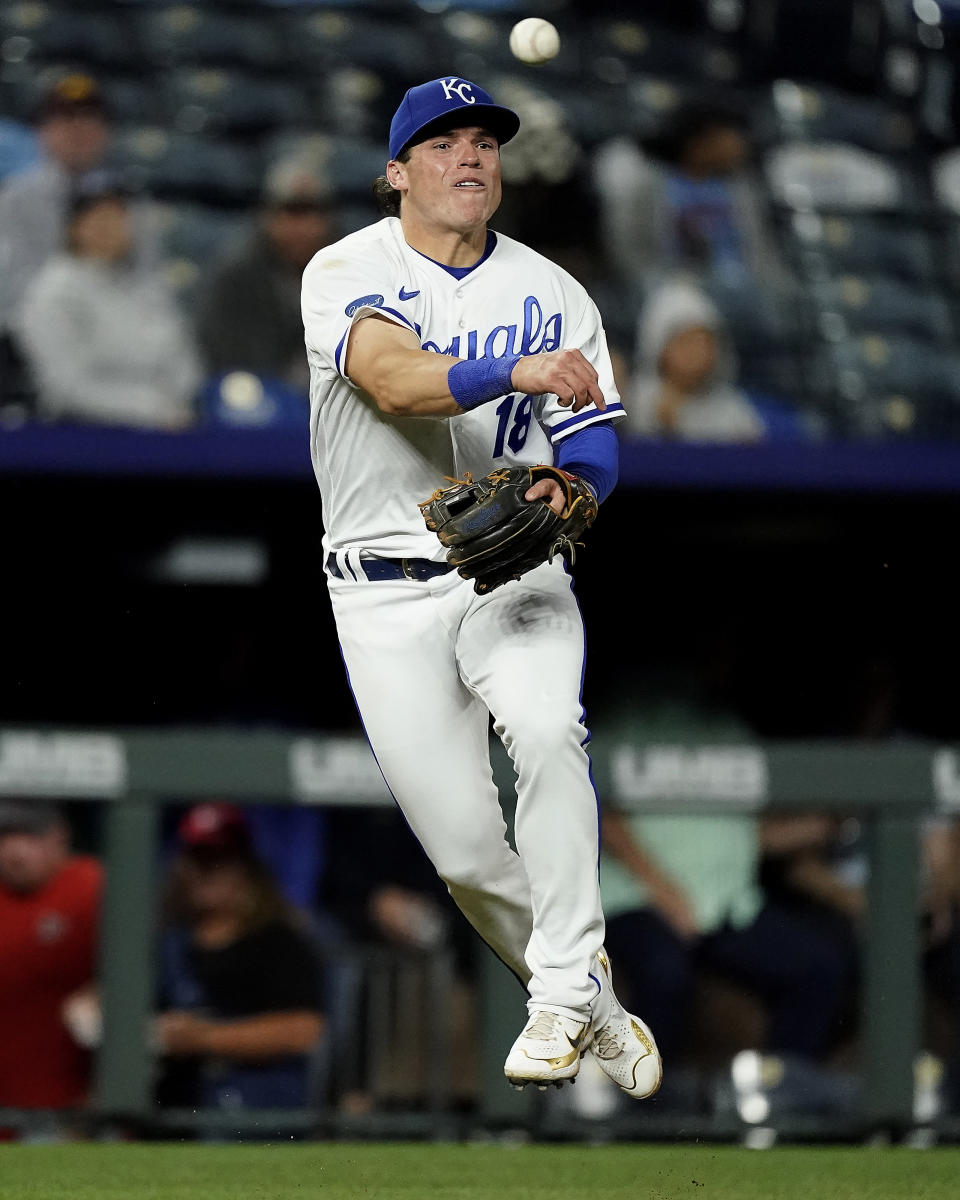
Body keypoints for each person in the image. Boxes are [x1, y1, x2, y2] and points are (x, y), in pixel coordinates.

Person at [300, 75, 661, 1098]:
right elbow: (390, 378)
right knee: (465, 853)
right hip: (379, 592)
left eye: (486, 141)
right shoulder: (345, 267)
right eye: (445, 141)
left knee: (551, 733)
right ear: (397, 172)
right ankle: (596, 1000)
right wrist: (515, 375)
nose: (471, 156)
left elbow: (595, 451)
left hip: (514, 569)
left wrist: (571, 488)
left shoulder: (554, 291)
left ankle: (553, 1003)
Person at [152, 802, 326, 1119]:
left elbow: (304, 1030)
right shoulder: (169, 940)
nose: (204, 872)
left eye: (217, 861)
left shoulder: (277, 941)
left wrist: (204, 1038)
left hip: (256, 1104)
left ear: (245, 868)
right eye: (196, 859)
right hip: (177, 1105)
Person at [0, 73, 159, 405]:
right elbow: (14, 289)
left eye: (90, 119)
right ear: (42, 131)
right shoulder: (17, 199)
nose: (78, 130)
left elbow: (147, 284)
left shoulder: (130, 201)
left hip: (117, 345)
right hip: (34, 347)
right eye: (64, 119)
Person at [15, 174, 201, 429]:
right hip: (78, 435)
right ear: (74, 227)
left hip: (163, 427)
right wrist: (149, 407)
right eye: (96, 216)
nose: (108, 226)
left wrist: (175, 401)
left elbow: (183, 363)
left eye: (117, 217)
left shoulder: (148, 289)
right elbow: (65, 386)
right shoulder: (52, 291)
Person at [194, 156, 338, 400]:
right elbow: (229, 361)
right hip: (257, 406)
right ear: (267, 217)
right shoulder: (236, 277)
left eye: (311, 213)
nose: (301, 228)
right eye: (290, 213)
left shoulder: (348, 272)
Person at [0, 800, 102, 1129]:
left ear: (60, 837)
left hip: (76, 1106)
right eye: (4, 837)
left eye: (30, 836)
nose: (15, 851)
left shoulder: (93, 888)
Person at [625, 278, 775, 442]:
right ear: (660, 346)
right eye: (685, 342)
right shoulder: (633, 401)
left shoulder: (733, 410)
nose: (697, 352)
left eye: (705, 343)